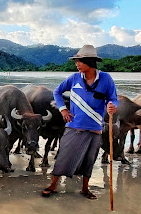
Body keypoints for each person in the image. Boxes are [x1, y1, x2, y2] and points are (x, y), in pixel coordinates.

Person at [42, 44, 118, 200]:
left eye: (79, 61)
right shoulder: (74, 78)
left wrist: (112, 107)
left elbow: (113, 98)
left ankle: (85, 188)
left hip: (95, 128)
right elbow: (57, 91)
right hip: (74, 126)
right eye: (76, 61)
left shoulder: (105, 79)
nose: (76, 64)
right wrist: (63, 109)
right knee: (64, 156)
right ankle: (53, 185)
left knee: (89, 160)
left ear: (89, 62)